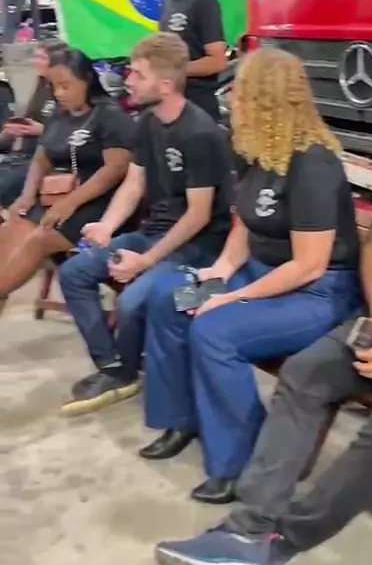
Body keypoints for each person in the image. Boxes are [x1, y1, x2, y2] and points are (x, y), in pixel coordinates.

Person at [155, 54, 372, 565]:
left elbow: (315, 263)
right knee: (303, 373)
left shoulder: (312, 161)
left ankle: (281, 544)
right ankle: (247, 528)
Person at [139, 47, 361, 505]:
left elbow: (309, 265)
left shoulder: (314, 163)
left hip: (316, 293)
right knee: (169, 300)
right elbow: (245, 224)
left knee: (215, 330)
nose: (231, 101)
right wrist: (219, 272)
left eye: (239, 93)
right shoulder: (257, 152)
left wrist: (232, 299)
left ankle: (241, 461)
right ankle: (182, 419)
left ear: (266, 99)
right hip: (262, 273)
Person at [59, 32, 232, 416]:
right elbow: (134, 183)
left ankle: (126, 371)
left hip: (198, 247)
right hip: (154, 234)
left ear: (165, 85)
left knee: (134, 300)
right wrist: (107, 226)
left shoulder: (200, 133)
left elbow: (199, 215)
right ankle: (115, 367)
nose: (128, 81)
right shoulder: (148, 122)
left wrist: (147, 261)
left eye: (138, 74)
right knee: (74, 272)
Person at [0, 47, 134, 312]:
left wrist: (70, 203)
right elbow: (41, 158)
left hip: (97, 202)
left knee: (38, 239)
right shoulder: (58, 115)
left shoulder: (110, 115)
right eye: (54, 86)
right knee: (11, 227)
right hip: (57, 195)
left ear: (86, 79)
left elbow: (115, 169)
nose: (59, 93)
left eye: (65, 85)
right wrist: (27, 195)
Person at [153, 0, 227, 121]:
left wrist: (174, 71)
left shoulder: (203, 0)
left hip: (198, 111)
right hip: (173, 108)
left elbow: (218, 61)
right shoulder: (168, 1)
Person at [0, 39, 65, 208]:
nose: (36, 61)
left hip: (39, 162)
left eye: (42, 57)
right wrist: (11, 132)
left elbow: (73, 133)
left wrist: (41, 130)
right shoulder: (41, 87)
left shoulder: (65, 93)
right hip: (18, 156)